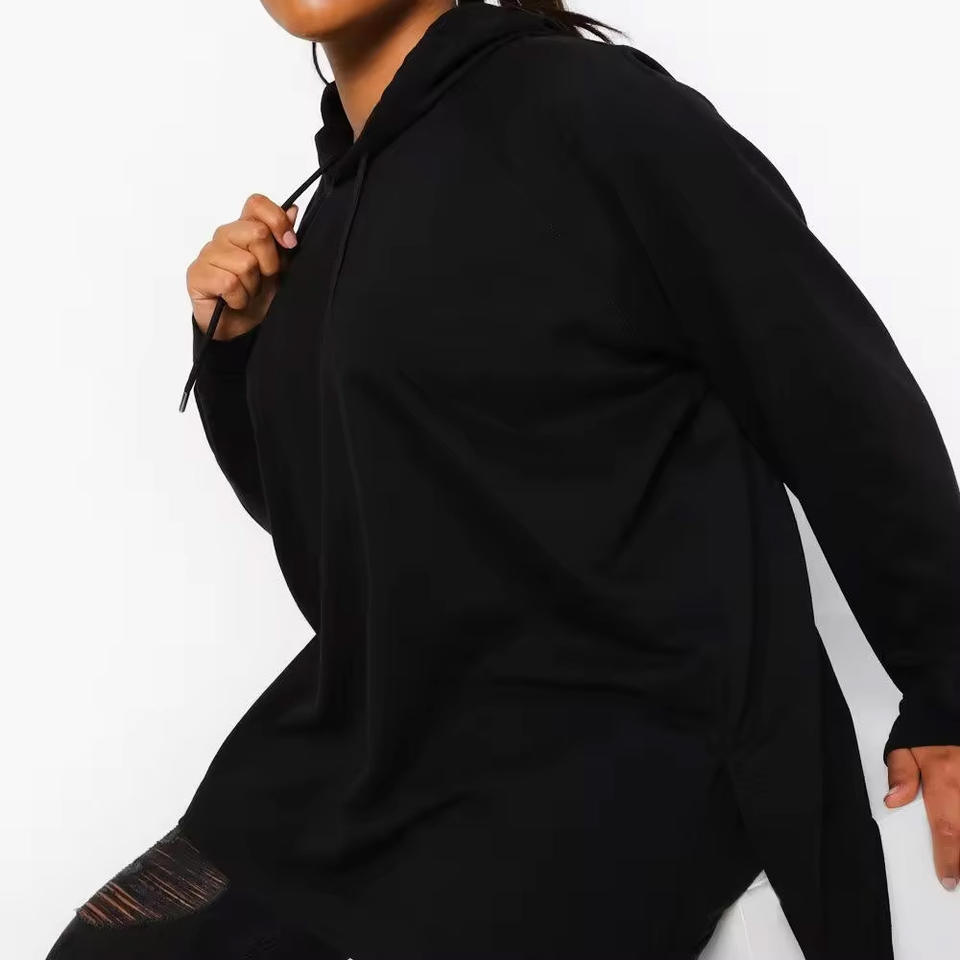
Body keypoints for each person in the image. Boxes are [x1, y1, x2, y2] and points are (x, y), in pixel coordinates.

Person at [45, 1, 960, 958]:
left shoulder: (590, 109)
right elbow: (333, 537)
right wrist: (241, 349)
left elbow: (828, 386)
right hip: (389, 739)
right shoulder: (332, 208)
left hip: (616, 738)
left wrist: (944, 684)